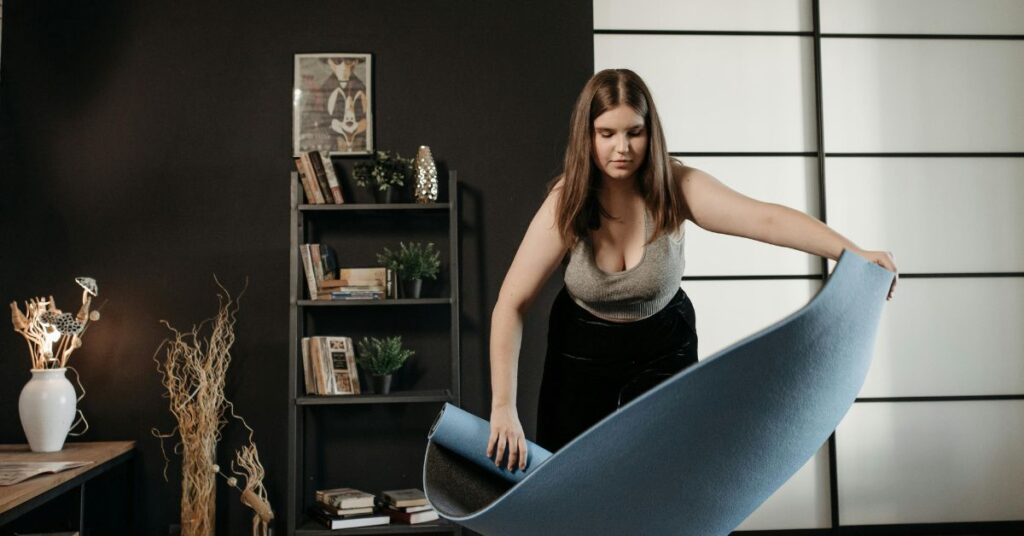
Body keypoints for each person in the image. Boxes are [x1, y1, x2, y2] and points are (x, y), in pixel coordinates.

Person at [484, 68, 898, 472]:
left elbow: (766, 221)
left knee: (667, 479)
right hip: (579, 353)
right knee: (568, 484)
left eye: (634, 132)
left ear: (651, 132)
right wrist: (503, 405)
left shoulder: (676, 187)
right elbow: (511, 303)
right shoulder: (567, 201)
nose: (622, 148)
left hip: (662, 349)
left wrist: (853, 251)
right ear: (587, 136)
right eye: (607, 134)